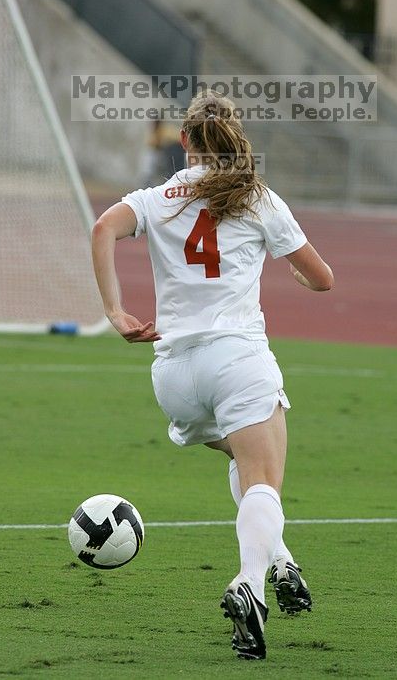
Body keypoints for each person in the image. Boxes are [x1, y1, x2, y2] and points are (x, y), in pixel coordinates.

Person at [92, 92, 334, 661]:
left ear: (185, 141)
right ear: (233, 136)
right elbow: (321, 279)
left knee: (243, 462)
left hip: (174, 374)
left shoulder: (156, 197)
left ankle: (282, 565)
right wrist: (287, 272)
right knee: (263, 480)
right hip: (237, 360)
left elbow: (102, 228)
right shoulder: (257, 197)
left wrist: (113, 311)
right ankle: (250, 583)